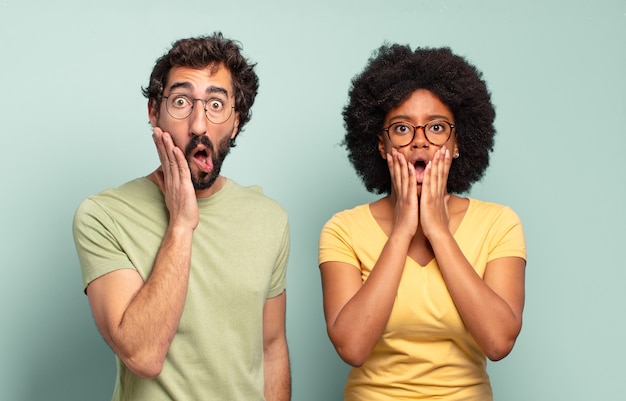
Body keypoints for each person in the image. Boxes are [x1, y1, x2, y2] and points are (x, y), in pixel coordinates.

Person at [72, 33, 291, 401]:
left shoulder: (270, 219)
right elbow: (142, 355)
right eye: (181, 101)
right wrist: (181, 223)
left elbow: (271, 347)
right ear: (153, 112)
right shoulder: (103, 216)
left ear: (236, 121)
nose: (198, 125)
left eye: (216, 105)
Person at [318, 43, 526, 400]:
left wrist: (438, 232)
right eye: (401, 129)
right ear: (381, 146)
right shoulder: (343, 229)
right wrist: (401, 231)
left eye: (436, 128)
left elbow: (498, 341)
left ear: (457, 142)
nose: (419, 143)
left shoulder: (499, 223)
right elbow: (352, 347)